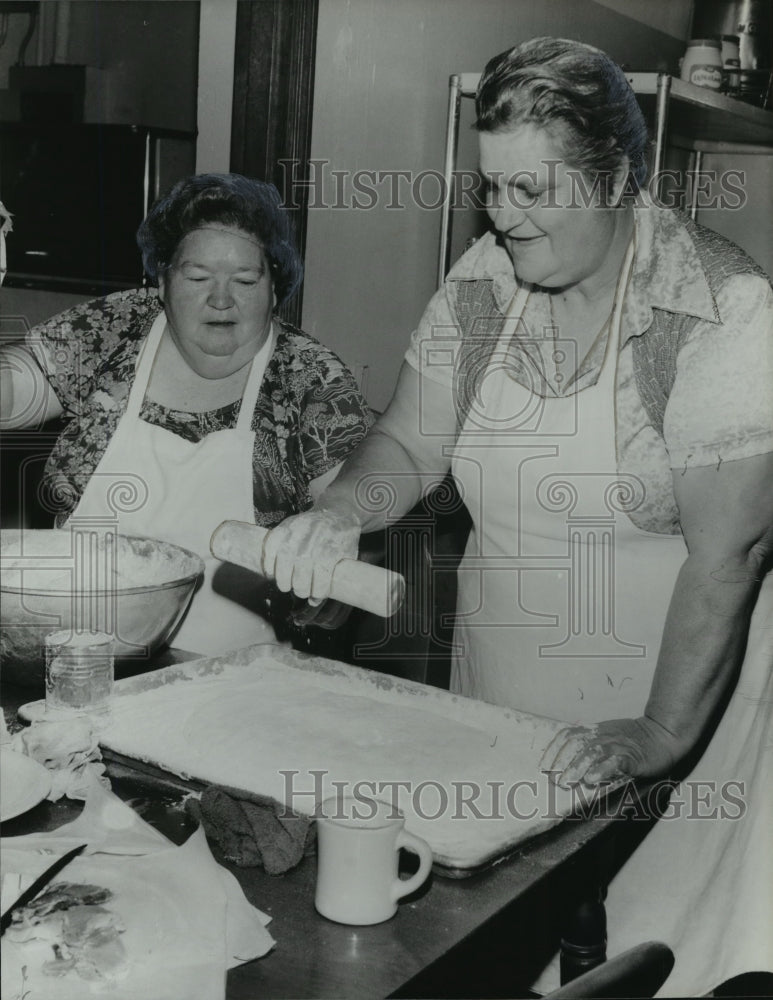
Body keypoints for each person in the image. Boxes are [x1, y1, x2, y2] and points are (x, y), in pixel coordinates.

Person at [256, 38, 773, 996]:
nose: (503, 215)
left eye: (534, 191)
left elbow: (729, 551)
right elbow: (412, 444)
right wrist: (337, 515)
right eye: (492, 187)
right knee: (499, 952)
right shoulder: (482, 284)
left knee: (641, 961)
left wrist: (659, 732)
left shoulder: (721, 313)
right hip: (502, 702)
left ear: (618, 177)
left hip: (669, 712)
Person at [0, 173, 373, 655]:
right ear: (161, 280)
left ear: (276, 287)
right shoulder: (116, 328)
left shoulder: (308, 380)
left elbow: (352, 525)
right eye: (197, 278)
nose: (221, 299)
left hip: (232, 684)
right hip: (73, 659)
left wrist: (329, 588)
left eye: (245, 280)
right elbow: (15, 391)